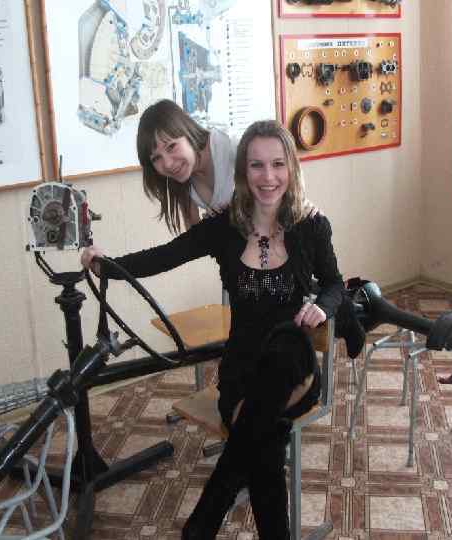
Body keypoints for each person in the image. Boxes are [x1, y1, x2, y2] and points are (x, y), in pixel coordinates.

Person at [82, 120, 363, 539]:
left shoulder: (311, 226)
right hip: (242, 371)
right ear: (242, 172)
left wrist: (322, 307)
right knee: (264, 443)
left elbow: (335, 284)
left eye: (277, 164)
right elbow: (163, 257)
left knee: (284, 350)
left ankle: (205, 518)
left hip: (295, 370)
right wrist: (105, 265)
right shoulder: (224, 228)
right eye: (256, 165)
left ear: (291, 168)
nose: (268, 177)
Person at [136, 99, 237, 234]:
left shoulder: (231, 146)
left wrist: (239, 210)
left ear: (188, 132)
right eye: (156, 158)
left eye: (171, 146)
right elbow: (194, 233)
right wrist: (210, 228)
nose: (168, 164)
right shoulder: (181, 175)